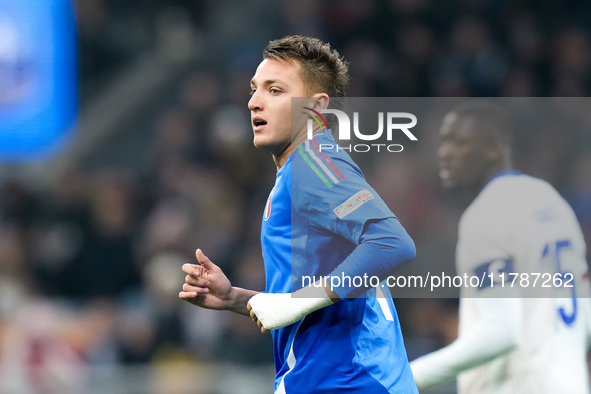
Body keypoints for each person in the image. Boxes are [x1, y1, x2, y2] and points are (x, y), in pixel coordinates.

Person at [179, 35, 418, 393]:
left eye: (274, 91)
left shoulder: (313, 163)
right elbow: (316, 302)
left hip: (344, 384)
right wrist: (236, 299)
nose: (253, 102)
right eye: (254, 88)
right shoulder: (301, 170)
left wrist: (294, 304)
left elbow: (393, 243)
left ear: (315, 107)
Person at [410, 100, 591, 393]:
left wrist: (407, 376)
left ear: (494, 148)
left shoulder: (487, 212)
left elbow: (501, 331)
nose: (445, 153)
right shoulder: (553, 201)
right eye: (444, 142)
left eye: (461, 142)